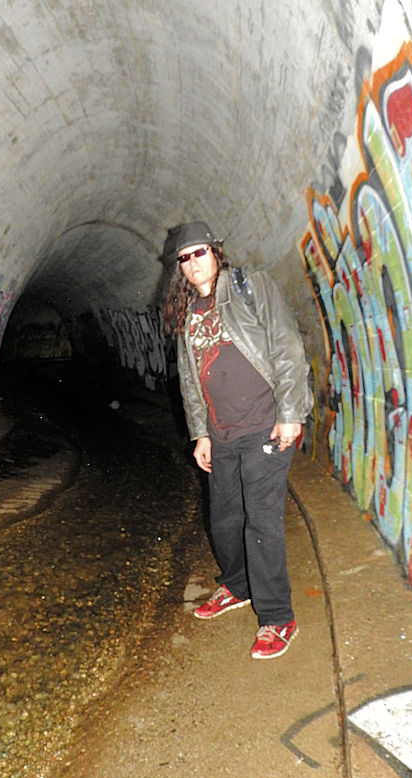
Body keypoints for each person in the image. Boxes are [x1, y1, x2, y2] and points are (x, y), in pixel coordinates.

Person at [163, 220, 312, 660]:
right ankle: (238, 585)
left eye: (200, 252)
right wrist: (200, 434)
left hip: (265, 425)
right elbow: (190, 383)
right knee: (225, 519)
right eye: (184, 258)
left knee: (260, 523)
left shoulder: (251, 287)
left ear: (216, 252)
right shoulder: (187, 315)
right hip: (221, 433)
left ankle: (278, 617)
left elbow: (287, 346)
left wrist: (290, 413)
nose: (193, 263)